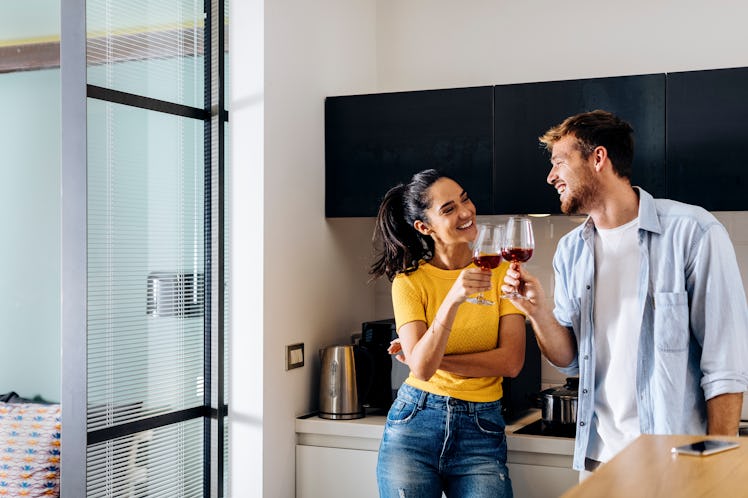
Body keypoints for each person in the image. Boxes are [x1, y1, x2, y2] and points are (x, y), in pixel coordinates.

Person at [501, 109, 748, 476]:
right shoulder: (572, 250)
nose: (551, 176)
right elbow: (568, 359)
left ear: (598, 158)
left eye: (559, 163)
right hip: (600, 461)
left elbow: (725, 366)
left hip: (673, 463)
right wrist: (536, 312)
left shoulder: (692, 233)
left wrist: (718, 467)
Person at [370, 169, 526, 498]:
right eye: (449, 209)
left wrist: (426, 355)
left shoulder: (501, 273)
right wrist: (453, 299)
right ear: (424, 228)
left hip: (481, 429)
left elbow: (511, 362)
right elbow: (421, 371)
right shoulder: (409, 282)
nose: (466, 211)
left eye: (465, 199)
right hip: (414, 424)